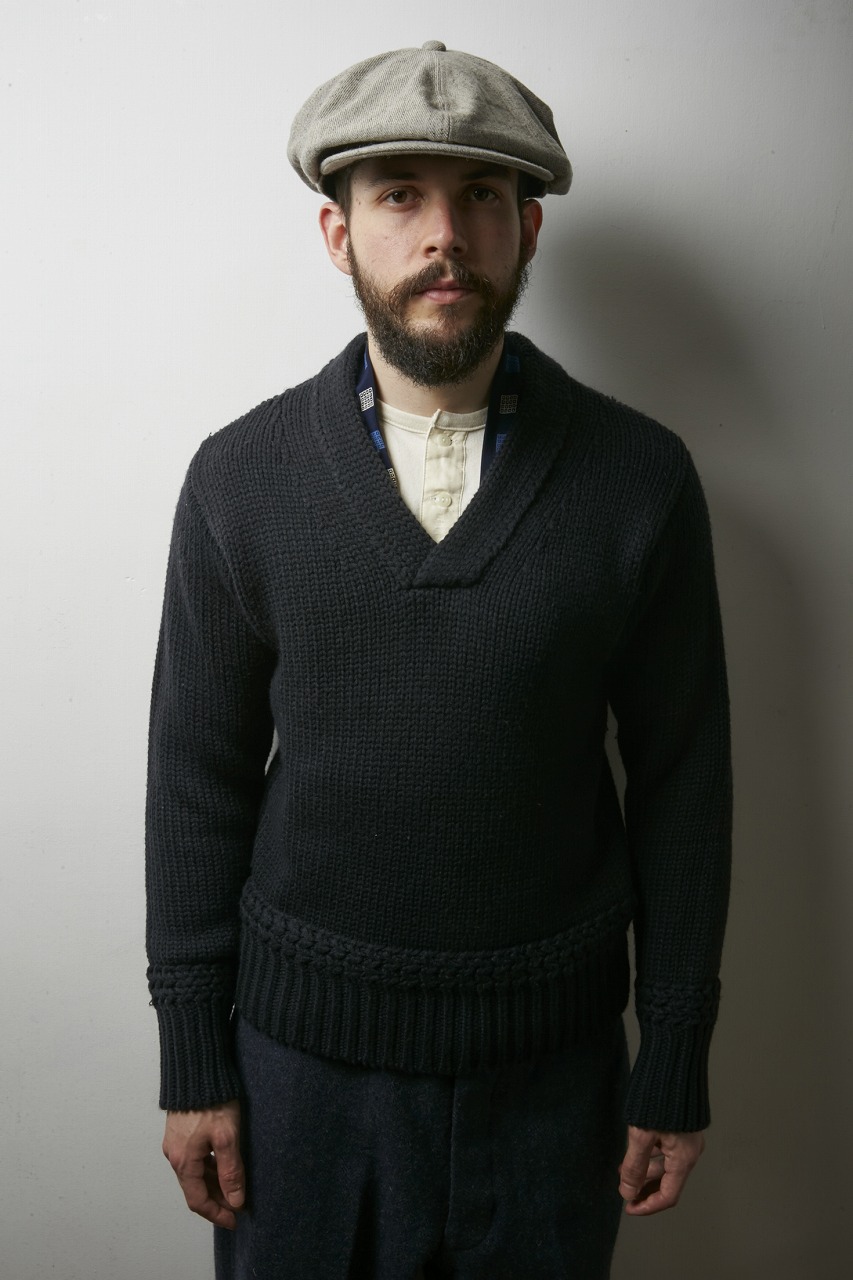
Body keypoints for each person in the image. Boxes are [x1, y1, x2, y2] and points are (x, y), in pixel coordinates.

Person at [146, 41, 731, 1279]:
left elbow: (684, 783)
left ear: (527, 228)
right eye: (399, 195)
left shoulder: (639, 480)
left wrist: (675, 1047)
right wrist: (192, 1055)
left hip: (552, 1082)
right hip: (297, 1082)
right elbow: (196, 780)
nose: (443, 236)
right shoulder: (240, 480)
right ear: (337, 233)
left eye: (479, 197)